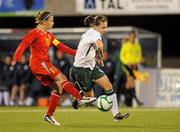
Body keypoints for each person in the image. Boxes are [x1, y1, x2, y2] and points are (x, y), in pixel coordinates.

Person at [11, 11, 96, 126]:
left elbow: (60, 46)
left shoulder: (49, 35)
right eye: (51, 20)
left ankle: (49, 115)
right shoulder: (35, 33)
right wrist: (16, 58)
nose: (53, 23)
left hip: (43, 64)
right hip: (39, 64)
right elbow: (24, 44)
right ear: (44, 21)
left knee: (58, 88)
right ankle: (80, 97)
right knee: (62, 77)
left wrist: (77, 52)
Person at [70, 15, 129, 121]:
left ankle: (116, 114)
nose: (105, 30)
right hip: (81, 70)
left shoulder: (91, 32)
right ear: (95, 26)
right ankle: (79, 100)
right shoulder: (95, 33)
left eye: (106, 27)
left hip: (91, 66)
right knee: (90, 97)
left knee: (109, 86)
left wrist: (96, 58)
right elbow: (100, 45)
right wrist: (101, 55)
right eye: (103, 27)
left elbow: (87, 51)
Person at [120, 31, 143, 107]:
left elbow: (139, 55)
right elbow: (122, 56)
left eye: (134, 36)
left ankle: (123, 99)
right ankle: (136, 100)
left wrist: (136, 62)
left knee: (129, 85)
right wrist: (128, 62)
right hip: (127, 66)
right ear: (129, 37)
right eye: (131, 36)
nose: (132, 38)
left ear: (135, 37)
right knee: (132, 82)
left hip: (135, 66)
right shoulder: (125, 45)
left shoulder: (137, 46)